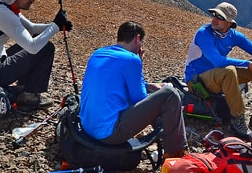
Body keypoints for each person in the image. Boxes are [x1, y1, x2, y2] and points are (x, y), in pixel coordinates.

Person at [80, 21, 188, 160]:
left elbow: (116, 83)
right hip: (109, 134)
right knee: (170, 94)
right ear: (137, 39)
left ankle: (165, 132)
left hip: (87, 127)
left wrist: (149, 85)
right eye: (141, 42)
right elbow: (139, 99)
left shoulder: (99, 53)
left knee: (157, 96)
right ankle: (176, 152)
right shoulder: (131, 59)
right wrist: (139, 63)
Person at [184, 2, 252, 138]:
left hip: (218, 76)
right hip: (197, 81)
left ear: (230, 23)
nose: (214, 19)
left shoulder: (234, 36)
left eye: (220, 17)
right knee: (229, 71)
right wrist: (247, 64)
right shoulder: (204, 33)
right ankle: (237, 120)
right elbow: (218, 61)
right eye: (214, 14)